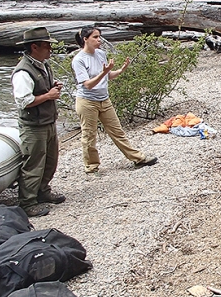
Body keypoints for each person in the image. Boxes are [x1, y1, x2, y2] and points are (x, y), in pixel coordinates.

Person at [72, 26, 157, 173]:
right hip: (87, 102)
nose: (99, 40)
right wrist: (104, 72)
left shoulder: (100, 54)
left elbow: (107, 76)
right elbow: (88, 84)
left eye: (99, 37)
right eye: (95, 37)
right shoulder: (79, 60)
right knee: (89, 135)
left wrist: (121, 70)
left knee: (117, 131)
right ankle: (91, 167)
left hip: (104, 100)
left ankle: (138, 158)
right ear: (85, 39)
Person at [11, 27, 66, 218]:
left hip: (48, 122)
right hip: (34, 126)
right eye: (47, 46)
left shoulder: (43, 65)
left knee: (51, 161)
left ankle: (43, 192)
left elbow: (40, 91)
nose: (50, 49)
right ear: (34, 47)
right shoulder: (23, 71)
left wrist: (52, 88)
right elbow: (23, 101)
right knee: (33, 164)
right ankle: (27, 203)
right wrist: (48, 95)